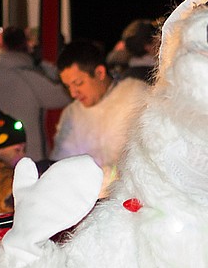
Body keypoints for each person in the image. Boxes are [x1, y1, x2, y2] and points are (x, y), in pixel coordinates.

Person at [51, 38, 150, 190]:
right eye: (67, 87)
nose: (73, 93)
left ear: (99, 73)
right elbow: (61, 162)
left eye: (78, 83)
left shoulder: (136, 96)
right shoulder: (72, 113)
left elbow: (146, 159)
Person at [0, 25, 70, 163]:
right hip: (28, 163)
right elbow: (64, 95)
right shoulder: (30, 76)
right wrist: (44, 66)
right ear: (24, 46)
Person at [117, 18, 160, 83]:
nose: (160, 38)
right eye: (155, 34)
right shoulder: (154, 73)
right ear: (147, 47)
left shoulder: (127, 75)